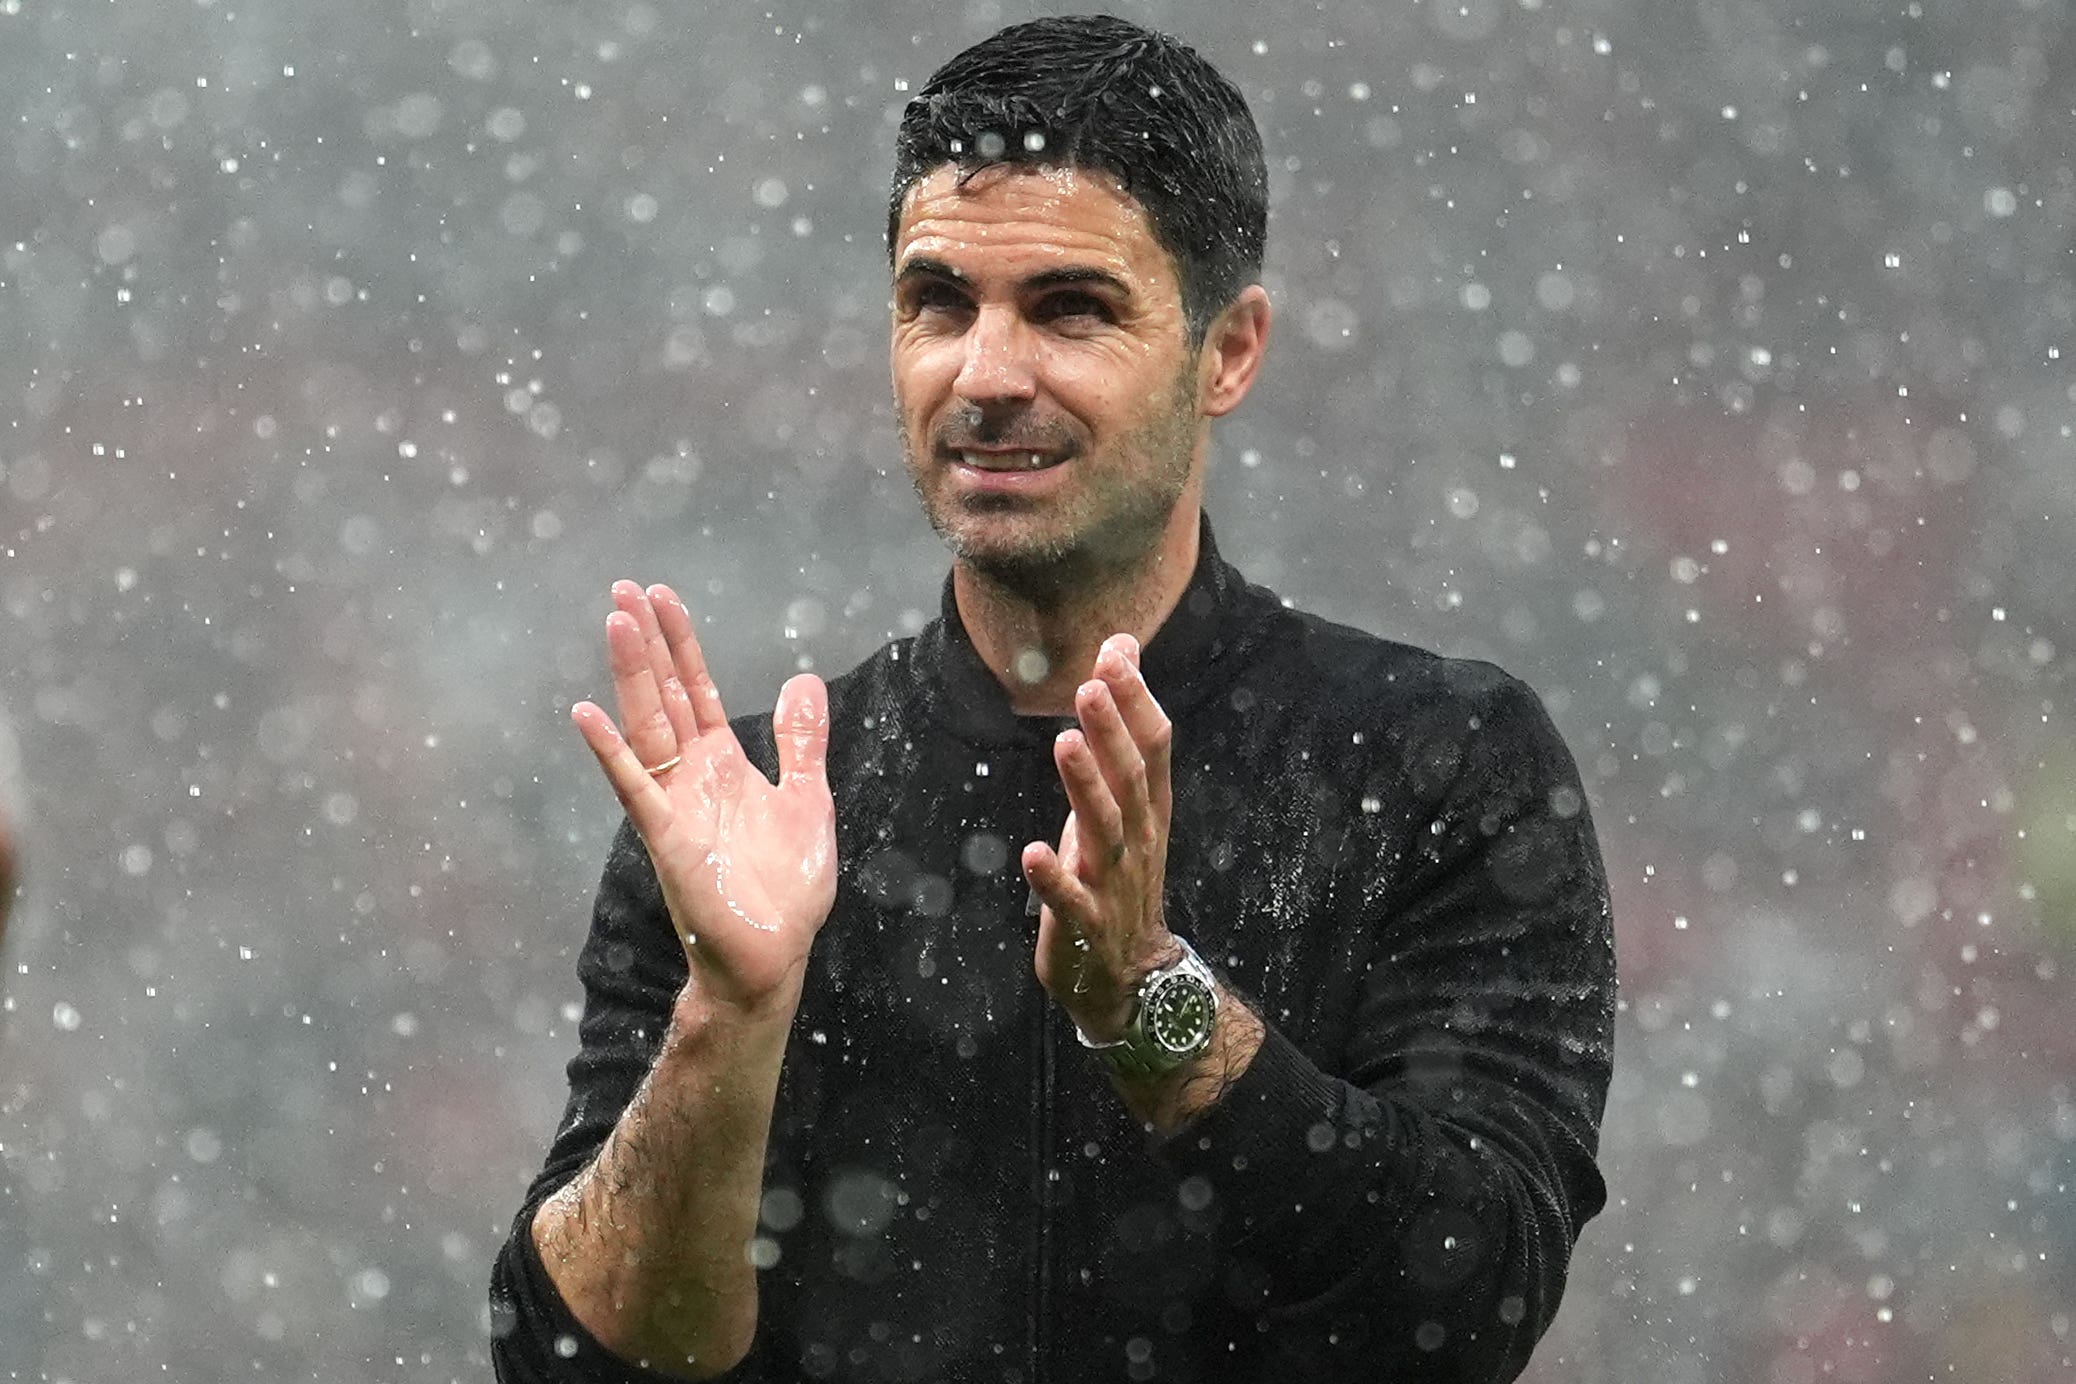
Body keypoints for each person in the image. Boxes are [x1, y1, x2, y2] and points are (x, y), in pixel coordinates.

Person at [491, 16, 1615, 1384]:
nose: (987, 374)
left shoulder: (1439, 763)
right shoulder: (754, 814)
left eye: (1071, 308)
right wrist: (729, 1013)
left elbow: (1467, 1303)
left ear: (1229, 352)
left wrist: (1151, 1006)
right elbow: (579, 1364)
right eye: (939, 302)